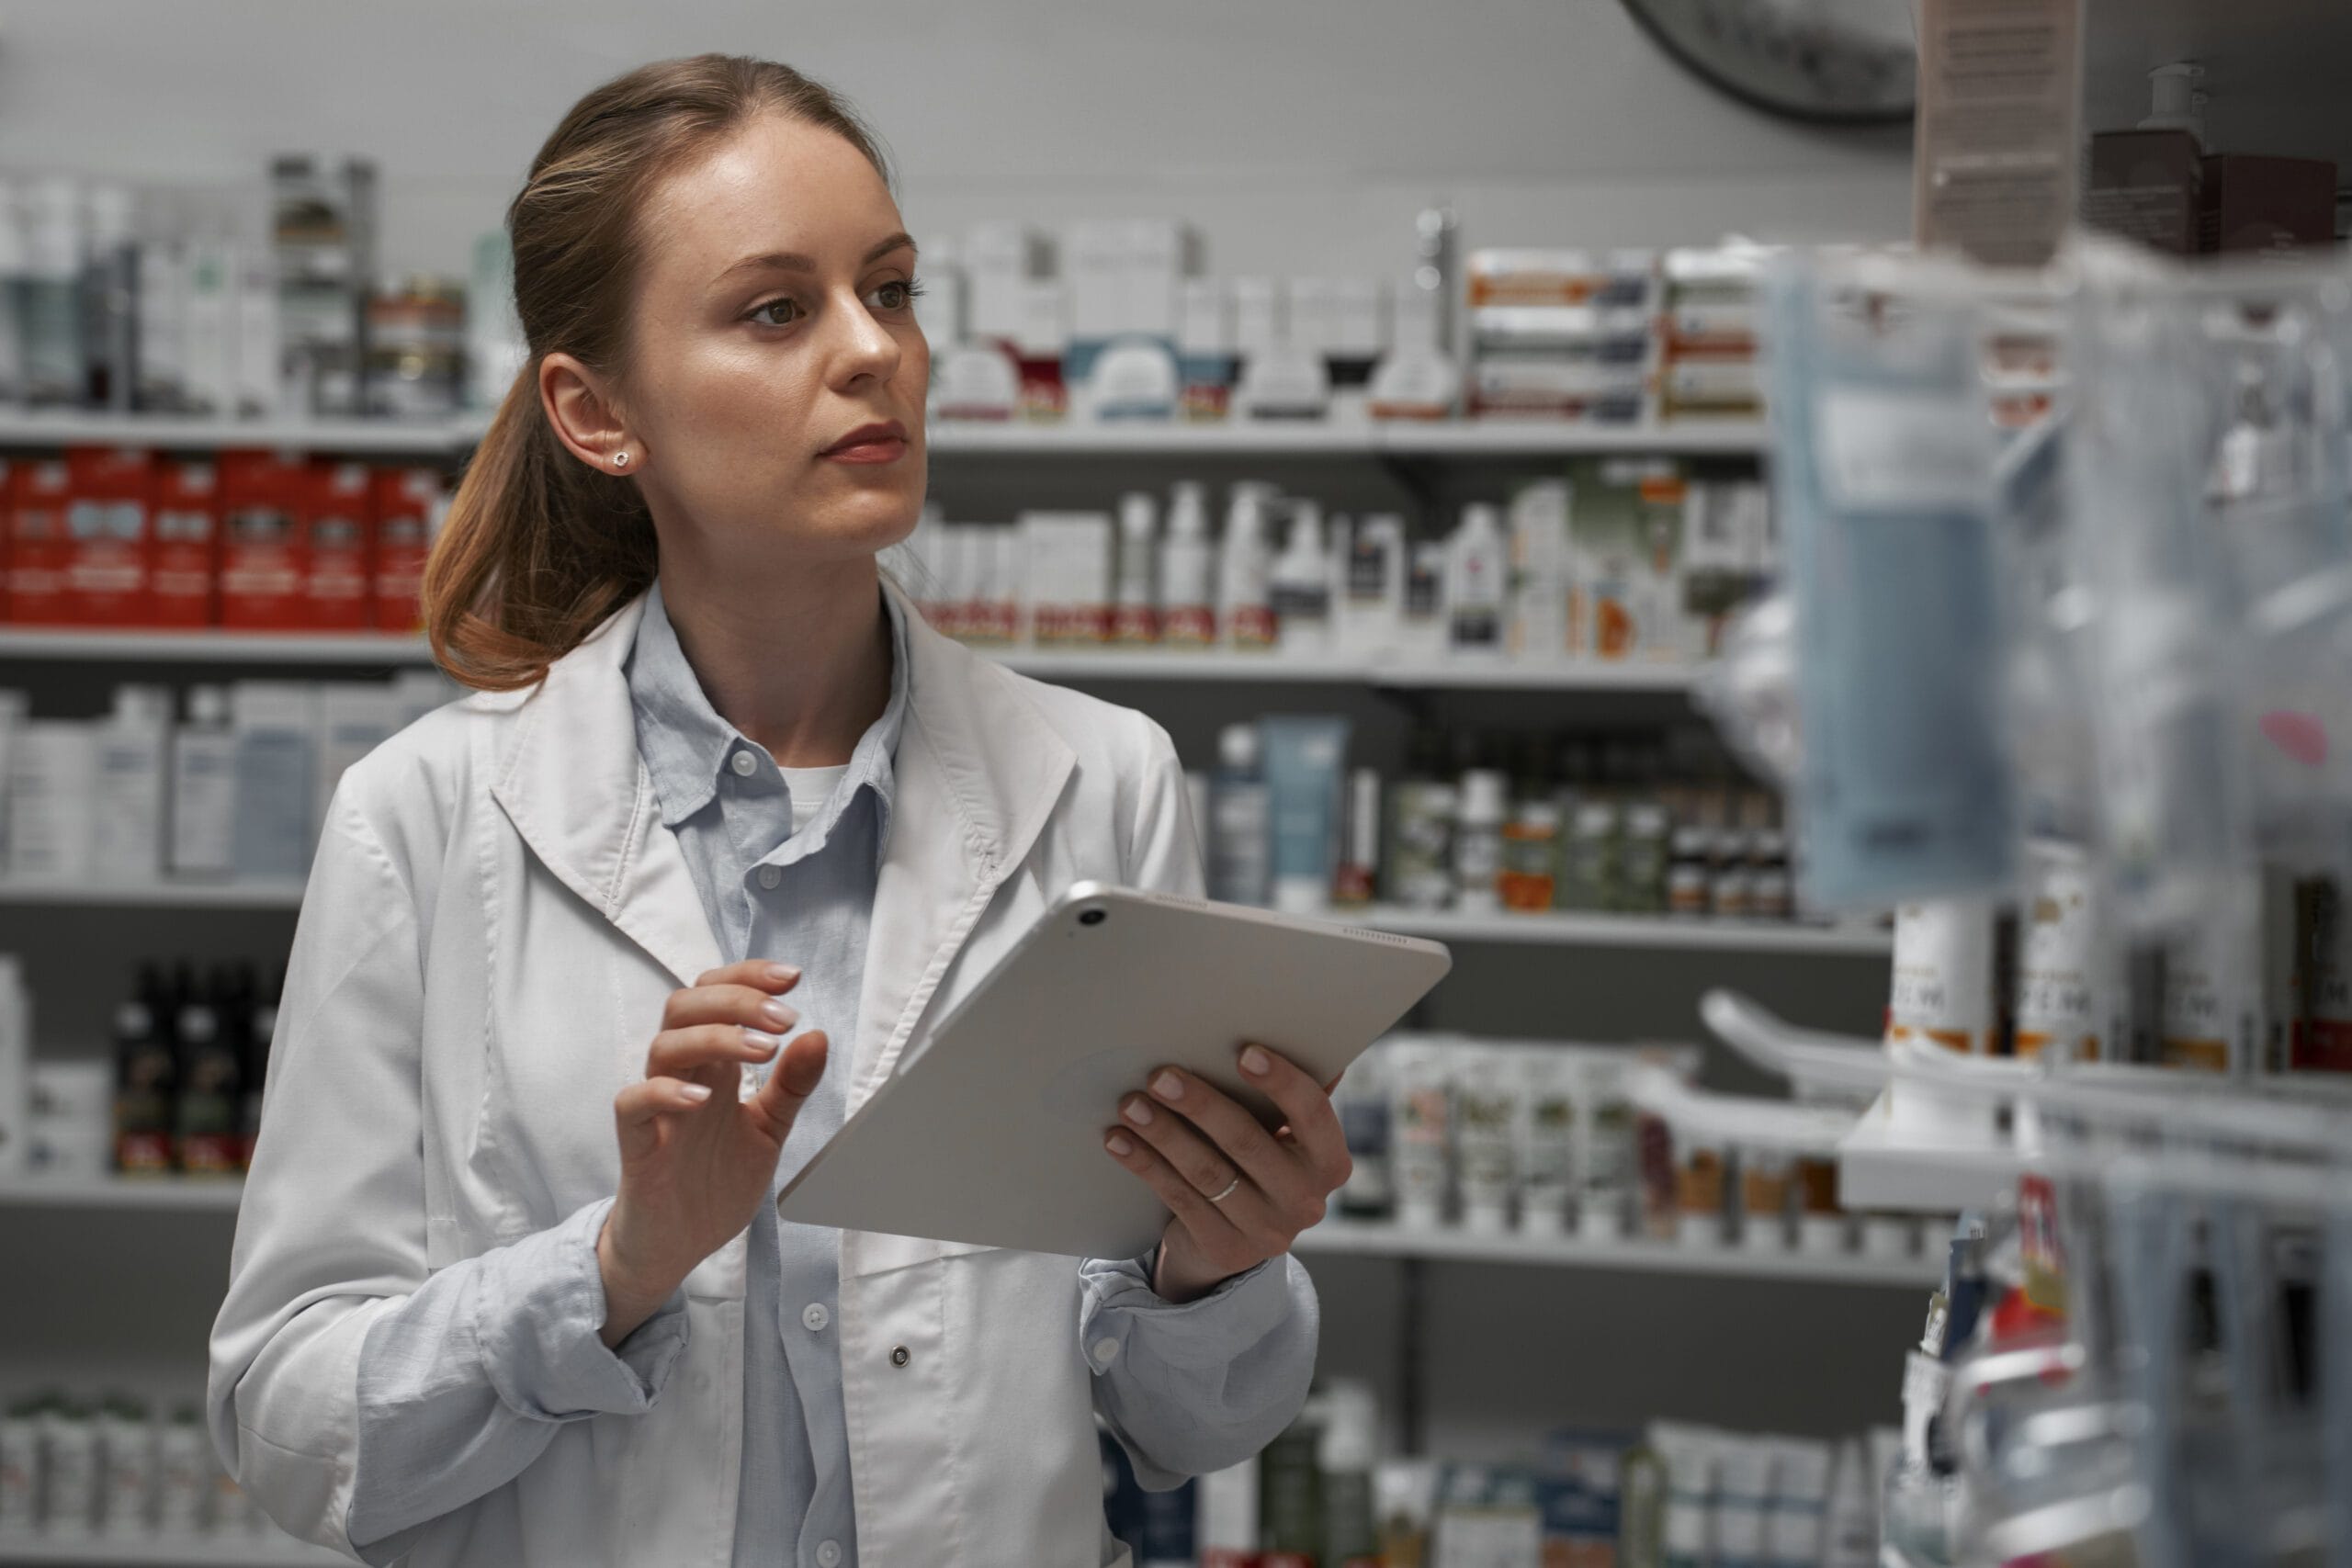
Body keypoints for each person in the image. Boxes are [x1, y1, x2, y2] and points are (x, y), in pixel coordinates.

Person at [208, 55, 1346, 1568]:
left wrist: (1219, 1262)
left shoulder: (1104, 782)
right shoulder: (421, 818)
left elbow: (1181, 1426)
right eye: (775, 309)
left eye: (892, 288)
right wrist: (619, 1266)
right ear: (597, 410)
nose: (873, 351)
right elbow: (288, 1425)